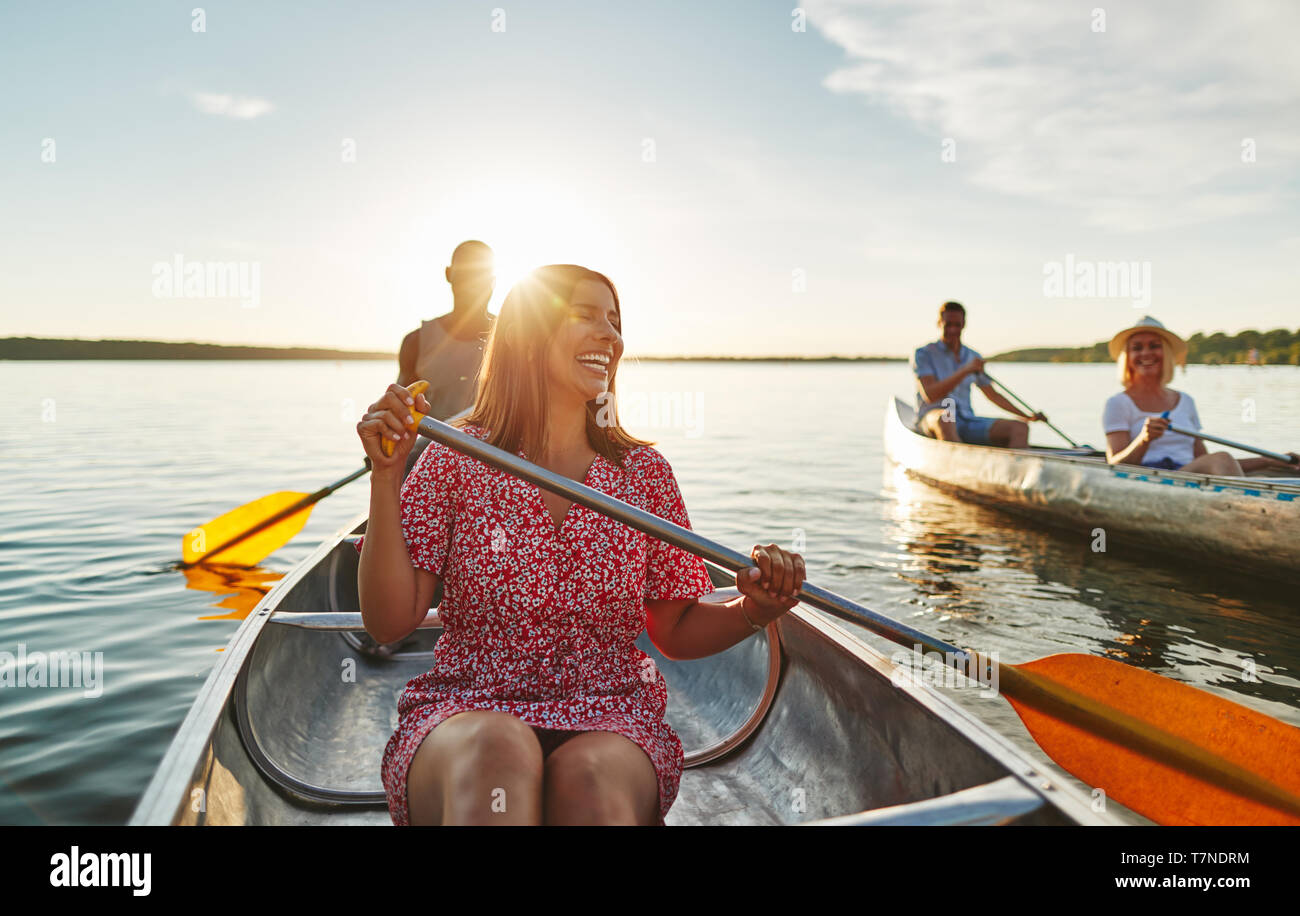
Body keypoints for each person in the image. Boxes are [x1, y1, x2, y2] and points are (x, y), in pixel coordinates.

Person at [355, 264, 805, 826]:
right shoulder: (452, 456)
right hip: (467, 706)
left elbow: (676, 629)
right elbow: (389, 624)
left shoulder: (644, 474)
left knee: (590, 781)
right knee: (498, 750)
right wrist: (385, 477)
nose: (610, 336)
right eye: (585, 315)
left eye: (614, 322)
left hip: (611, 714)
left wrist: (753, 610)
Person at [1102, 316, 1298, 473]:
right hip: (1148, 480)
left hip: (1189, 476)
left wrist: (1269, 460)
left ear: (1167, 353)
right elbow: (1115, 465)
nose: (1146, 353)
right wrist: (1144, 440)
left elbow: (1206, 462)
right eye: (1137, 348)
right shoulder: (1118, 403)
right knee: (1222, 458)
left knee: (1222, 459)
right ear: (1127, 358)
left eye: (1154, 346)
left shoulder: (1185, 401)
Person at [397, 239, 496, 475]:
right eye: (466, 273)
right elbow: (399, 415)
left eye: (480, 274)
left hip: (494, 467)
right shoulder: (416, 342)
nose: (473, 283)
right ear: (449, 274)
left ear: (493, 280)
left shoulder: (516, 340)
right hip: (427, 466)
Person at [912, 302, 1046, 446]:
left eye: (957, 325)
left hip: (967, 420)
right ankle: (960, 464)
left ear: (963, 324)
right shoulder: (924, 354)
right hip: (933, 418)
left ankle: (1017, 467)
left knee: (1020, 428)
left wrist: (1027, 416)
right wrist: (965, 371)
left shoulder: (972, 356)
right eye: (948, 324)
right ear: (939, 323)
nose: (952, 329)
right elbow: (930, 395)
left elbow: (993, 395)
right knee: (947, 417)